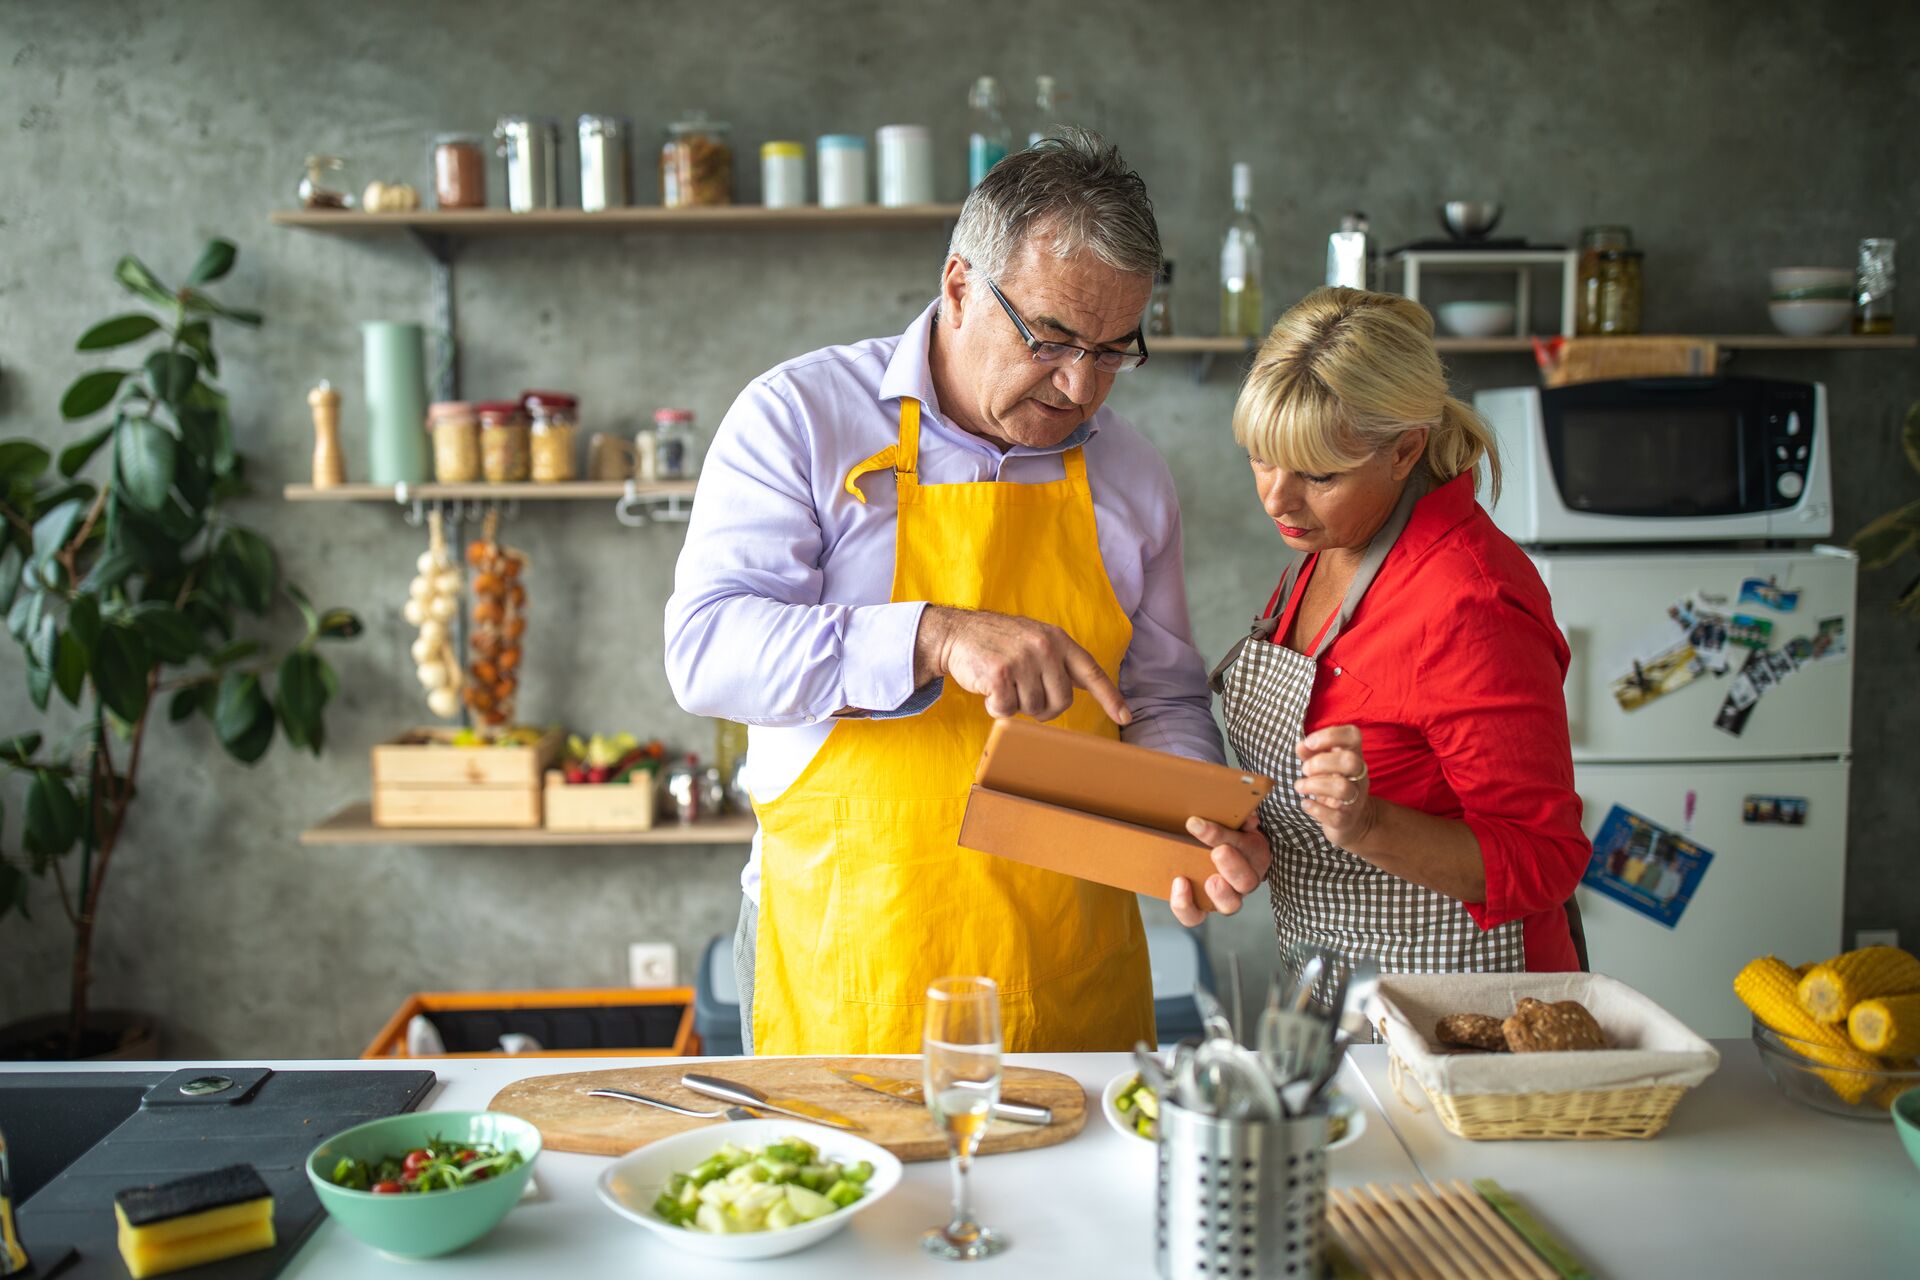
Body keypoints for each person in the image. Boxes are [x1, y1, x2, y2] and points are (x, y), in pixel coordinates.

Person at [665, 132, 1268, 1056]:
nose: (1079, 385)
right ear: (958, 287)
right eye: (1053, 339)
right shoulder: (801, 418)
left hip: (1070, 957)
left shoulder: (1133, 474)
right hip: (851, 952)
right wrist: (934, 637)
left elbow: (1160, 695)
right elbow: (706, 651)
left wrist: (1187, 818)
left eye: (1114, 351)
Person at [1177, 287, 1589, 982]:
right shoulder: (1330, 550)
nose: (1277, 498)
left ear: (1404, 451)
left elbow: (1546, 859)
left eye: (1318, 473)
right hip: (1337, 997)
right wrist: (1244, 840)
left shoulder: (1470, 600)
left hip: (1463, 1016)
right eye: (1260, 457)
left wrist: (1368, 827)